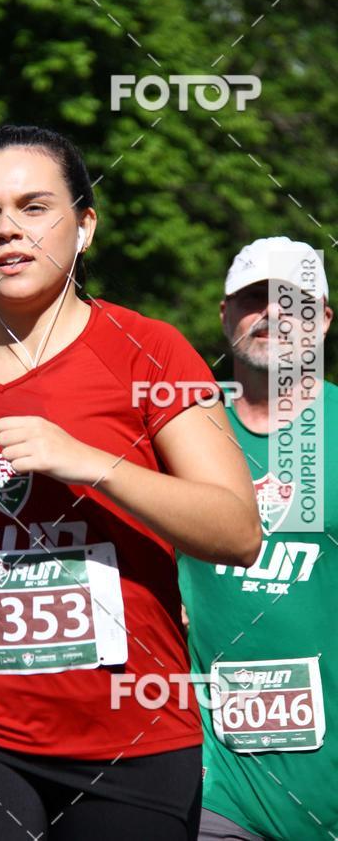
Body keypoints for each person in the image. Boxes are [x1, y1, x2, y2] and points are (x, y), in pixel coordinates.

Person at [0, 124, 261, 841]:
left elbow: (237, 531)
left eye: (34, 207)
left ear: (84, 227)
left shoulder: (151, 352)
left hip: (131, 732)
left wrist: (95, 464)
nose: (8, 231)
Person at [178, 236, 338, 840]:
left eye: (292, 301)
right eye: (253, 299)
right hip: (219, 782)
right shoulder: (179, 433)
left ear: (324, 320)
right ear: (226, 316)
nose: (271, 313)